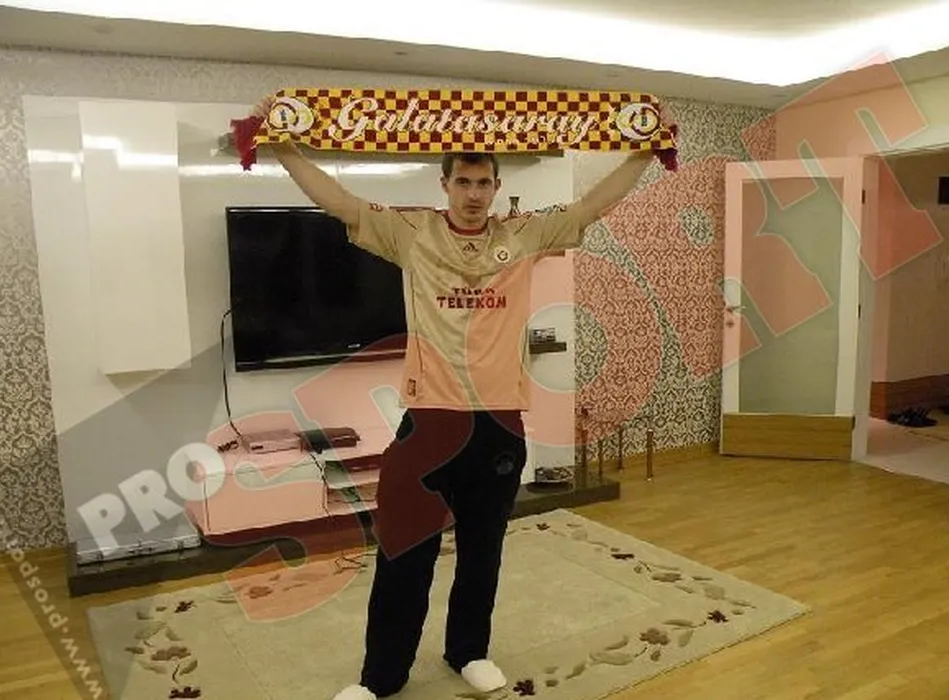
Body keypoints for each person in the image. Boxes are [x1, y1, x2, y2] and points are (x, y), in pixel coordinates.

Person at [247, 95, 674, 700]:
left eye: (483, 183)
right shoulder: (411, 232)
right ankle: (380, 677)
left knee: (483, 553)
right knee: (404, 553)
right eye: (463, 182)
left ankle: (469, 651)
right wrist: (285, 149)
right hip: (429, 424)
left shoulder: (523, 234)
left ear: (497, 187)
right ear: (444, 184)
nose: (474, 193)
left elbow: (592, 205)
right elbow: (338, 202)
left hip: (498, 425)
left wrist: (644, 154)